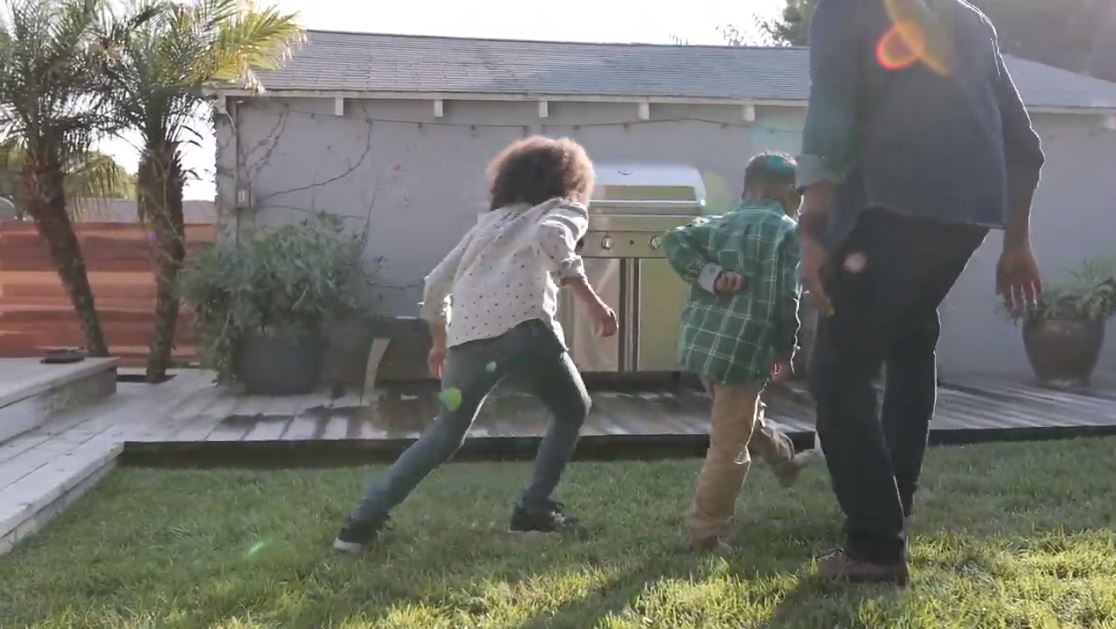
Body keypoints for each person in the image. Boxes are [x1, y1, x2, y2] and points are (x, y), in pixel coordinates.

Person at [797, 0, 1045, 585]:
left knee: (839, 372)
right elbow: (1024, 146)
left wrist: (812, 230)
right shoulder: (970, 19)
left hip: (885, 208)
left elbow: (831, 113)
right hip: (967, 217)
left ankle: (874, 547)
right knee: (910, 339)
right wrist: (1016, 242)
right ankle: (892, 511)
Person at [334, 136, 618, 553]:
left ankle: (360, 525)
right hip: (525, 332)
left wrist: (439, 343)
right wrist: (594, 304)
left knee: (444, 434)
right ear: (570, 180)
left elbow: (434, 285)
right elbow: (551, 236)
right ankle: (534, 508)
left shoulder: (488, 225)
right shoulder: (561, 209)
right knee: (572, 408)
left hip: (468, 342)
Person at [663, 152, 819, 556]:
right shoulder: (787, 232)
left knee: (741, 416)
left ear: (748, 189)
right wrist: (786, 347)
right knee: (729, 447)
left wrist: (711, 276)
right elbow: (785, 298)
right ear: (790, 194)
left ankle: (783, 461)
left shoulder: (722, 223)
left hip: (703, 346)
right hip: (743, 350)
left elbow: (674, 239)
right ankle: (705, 533)